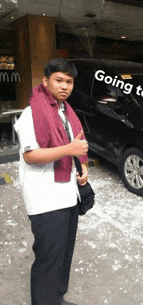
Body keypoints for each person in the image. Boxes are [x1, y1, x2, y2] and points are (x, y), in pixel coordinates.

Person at [14, 58, 89, 305]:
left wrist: (84, 167)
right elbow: (31, 155)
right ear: (45, 81)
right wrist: (69, 149)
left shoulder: (66, 113)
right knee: (49, 259)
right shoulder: (32, 113)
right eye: (59, 80)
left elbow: (78, 147)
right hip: (45, 200)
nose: (65, 86)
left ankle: (56, 298)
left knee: (63, 255)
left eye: (69, 82)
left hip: (68, 195)